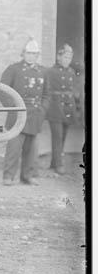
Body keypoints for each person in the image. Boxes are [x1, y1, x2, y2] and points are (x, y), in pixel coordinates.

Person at [0, 39, 50, 186]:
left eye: (34, 54)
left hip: (35, 115)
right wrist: (12, 108)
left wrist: (42, 110)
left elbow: (47, 95)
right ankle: (8, 176)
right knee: (14, 148)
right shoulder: (13, 69)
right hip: (18, 114)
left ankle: (28, 176)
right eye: (28, 53)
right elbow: (3, 91)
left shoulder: (43, 72)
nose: (31, 56)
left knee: (32, 150)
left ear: (38, 55)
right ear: (23, 53)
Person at [44, 44, 78, 175]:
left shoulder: (71, 72)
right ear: (59, 57)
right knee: (57, 136)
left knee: (63, 136)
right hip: (55, 107)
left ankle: (54, 162)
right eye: (65, 57)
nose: (67, 60)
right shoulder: (50, 72)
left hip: (68, 107)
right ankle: (58, 165)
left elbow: (72, 89)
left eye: (69, 57)